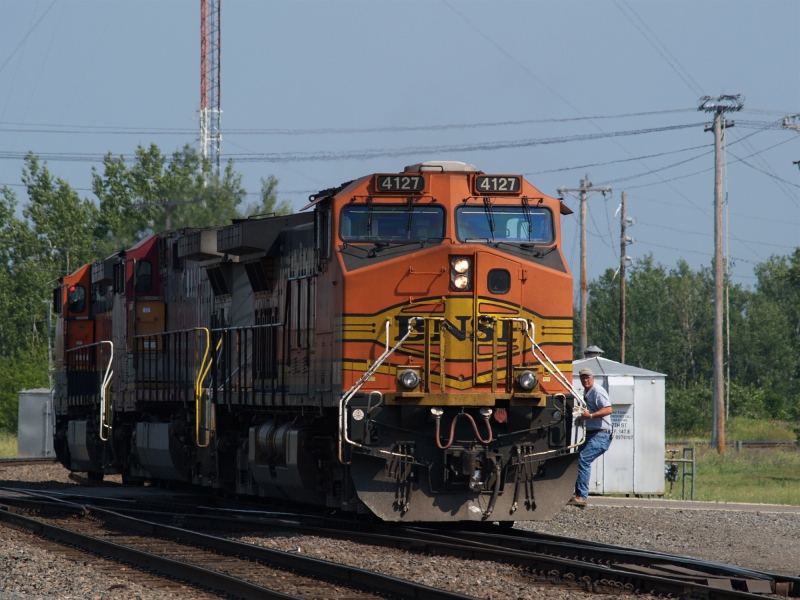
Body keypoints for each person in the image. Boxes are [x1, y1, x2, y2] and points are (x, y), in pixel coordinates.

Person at [568, 367, 613, 507]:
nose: (585, 379)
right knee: (574, 458)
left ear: (593, 377)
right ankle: (573, 493)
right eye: (583, 377)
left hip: (601, 435)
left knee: (583, 458)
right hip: (592, 434)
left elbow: (608, 409)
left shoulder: (597, 391)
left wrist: (591, 416)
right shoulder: (586, 393)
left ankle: (582, 496)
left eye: (588, 377)